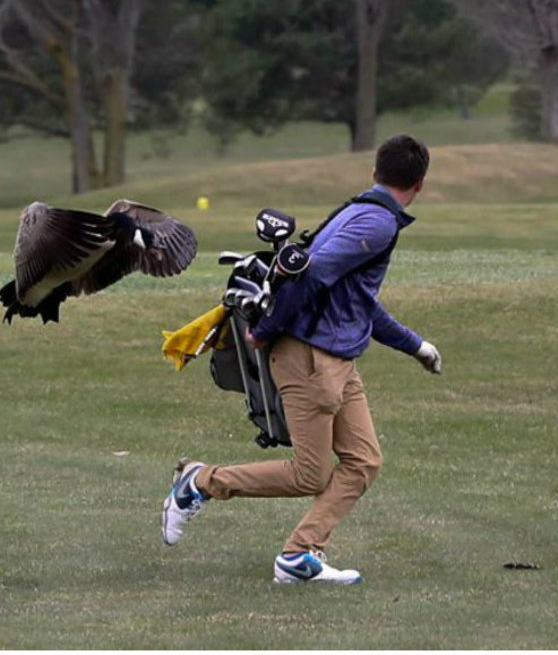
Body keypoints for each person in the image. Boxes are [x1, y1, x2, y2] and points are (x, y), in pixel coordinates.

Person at [162, 134, 443, 585]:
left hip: (338, 360)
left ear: (375, 173)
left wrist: (415, 345)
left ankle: (298, 554)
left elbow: (358, 302)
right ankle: (199, 482)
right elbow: (308, 275)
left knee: (363, 461)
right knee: (309, 474)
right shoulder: (376, 224)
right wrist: (266, 330)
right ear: (421, 184)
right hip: (312, 358)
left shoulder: (360, 212)